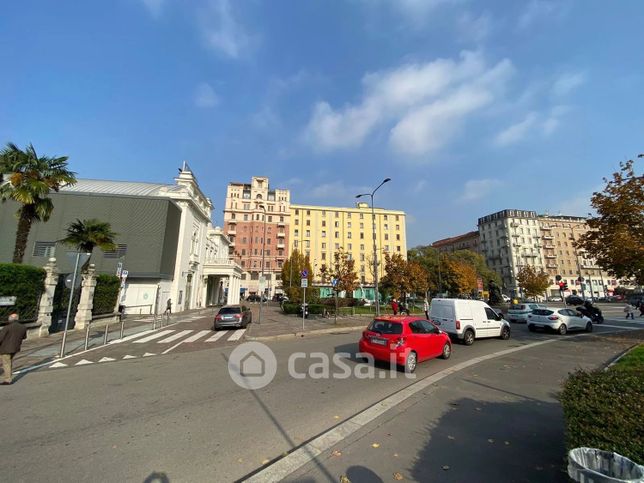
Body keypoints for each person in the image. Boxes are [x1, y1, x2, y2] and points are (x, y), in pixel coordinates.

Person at [0, 313, 27, 385]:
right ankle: (8, 376)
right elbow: (24, 337)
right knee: (8, 362)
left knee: (6, 363)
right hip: (15, 347)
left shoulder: (7, 327)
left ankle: (8, 380)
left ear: (10, 319)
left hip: (5, 348)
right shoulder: (23, 327)